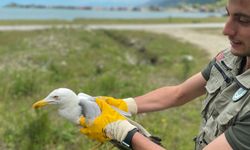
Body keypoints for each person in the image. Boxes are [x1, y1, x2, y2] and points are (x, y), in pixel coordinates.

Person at [80, 0, 250, 149]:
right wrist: (123, 105)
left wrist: (121, 131)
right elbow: (178, 94)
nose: (226, 30)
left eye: (243, 20)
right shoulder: (230, 58)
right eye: (228, 14)